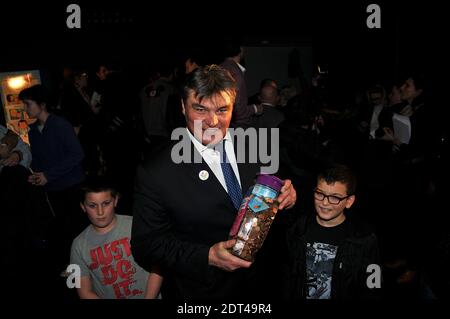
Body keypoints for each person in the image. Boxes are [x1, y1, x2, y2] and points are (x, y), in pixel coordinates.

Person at [132, 65, 297, 299]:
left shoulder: (256, 144)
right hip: (203, 291)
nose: (212, 121)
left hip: (263, 284)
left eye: (222, 110)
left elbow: (280, 199)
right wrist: (207, 256)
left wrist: (289, 198)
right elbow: (146, 246)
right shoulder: (156, 170)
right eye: (200, 109)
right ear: (182, 106)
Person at [282, 165, 380, 299]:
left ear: (349, 202)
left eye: (335, 197)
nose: (325, 203)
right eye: (320, 194)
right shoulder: (297, 229)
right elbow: (286, 277)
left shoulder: (365, 240)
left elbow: (373, 287)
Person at [70, 177, 163, 299]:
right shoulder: (78, 245)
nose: (100, 212)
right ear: (83, 206)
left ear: (115, 200)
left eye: (106, 203)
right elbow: (84, 292)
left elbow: (157, 266)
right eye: (92, 206)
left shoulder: (137, 226)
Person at [220, 42, 262, 128]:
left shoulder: (219, 67)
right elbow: (238, 111)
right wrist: (255, 108)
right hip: (236, 127)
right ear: (241, 50)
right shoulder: (235, 73)